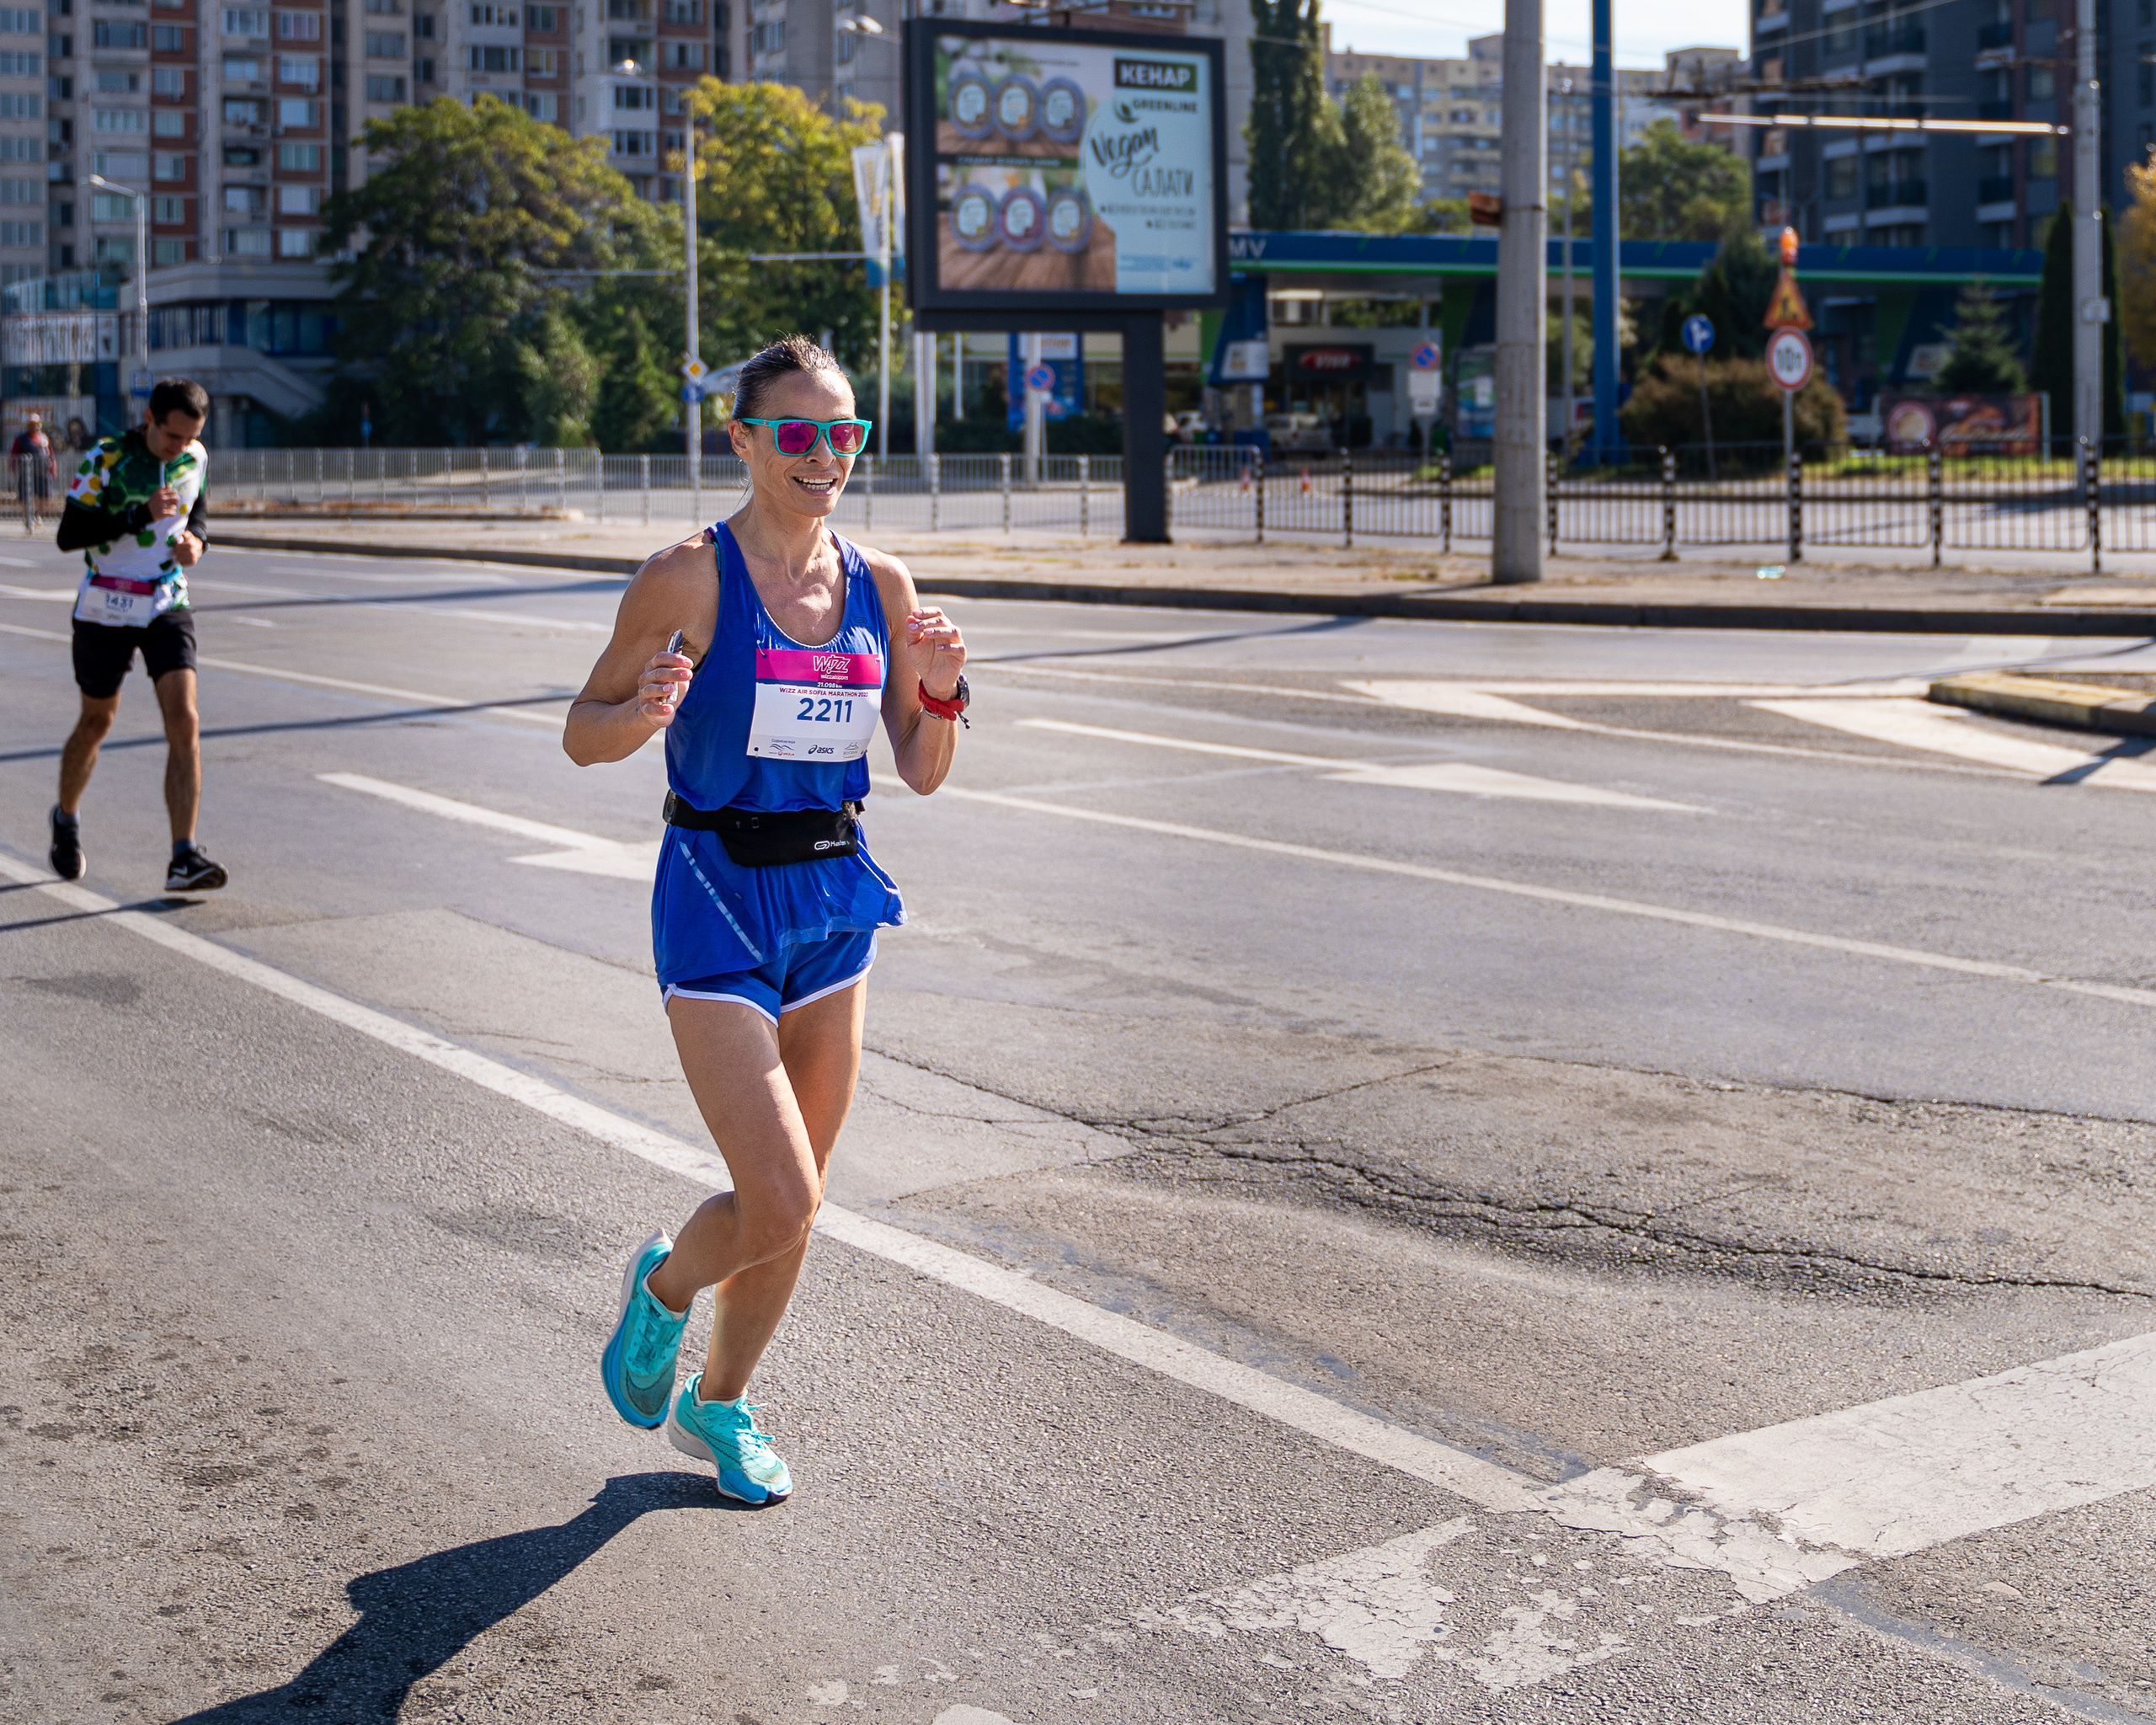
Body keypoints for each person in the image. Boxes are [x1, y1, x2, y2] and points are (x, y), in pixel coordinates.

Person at [566, 334, 969, 1504]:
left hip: (835, 895)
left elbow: (924, 767)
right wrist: (640, 713)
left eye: (844, 434)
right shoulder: (687, 577)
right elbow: (581, 731)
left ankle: (721, 1406)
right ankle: (663, 1292)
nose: (824, 456)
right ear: (741, 439)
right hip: (716, 892)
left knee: (799, 1207)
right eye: (797, 434)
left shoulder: (879, 585)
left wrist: (942, 685)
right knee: (780, 1194)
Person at [47, 377, 224, 894]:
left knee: (185, 719)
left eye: (191, 437)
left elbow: (199, 514)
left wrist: (198, 543)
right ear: (149, 418)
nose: (180, 448)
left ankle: (183, 856)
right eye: (172, 436)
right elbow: (68, 536)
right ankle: (66, 816)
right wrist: (136, 515)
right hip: (106, 602)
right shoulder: (107, 458)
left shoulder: (196, 457)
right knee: (97, 721)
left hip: (167, 598)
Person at [11, 412, 56, 533]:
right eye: (32, 424)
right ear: (28, 425)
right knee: (26, 497)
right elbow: (13, 455)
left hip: (43, 472)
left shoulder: (44, 438)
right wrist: (13, 470)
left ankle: (37, 515)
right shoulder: (21, 439)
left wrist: (53, 469)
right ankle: (28, 518)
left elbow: (51, 454)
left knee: (45, 497)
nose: (35, 426)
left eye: (37, 424)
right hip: (27, 474)